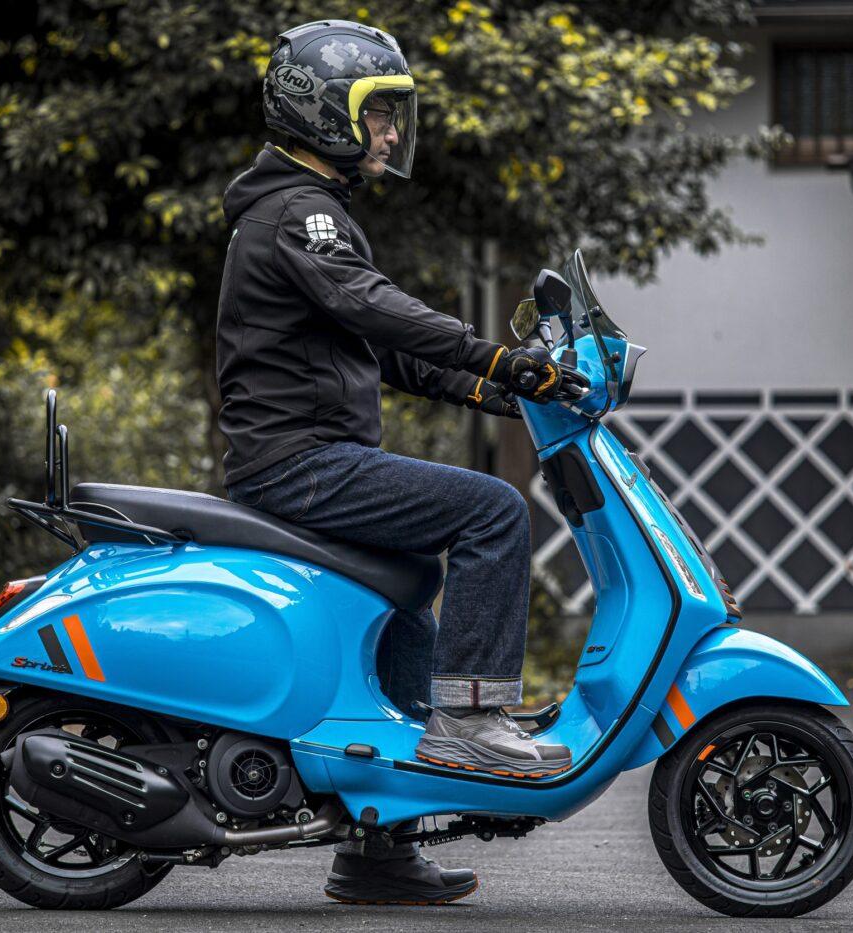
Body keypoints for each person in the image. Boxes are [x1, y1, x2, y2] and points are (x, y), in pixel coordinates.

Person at [216, 19, 578, 905]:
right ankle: (472, 719)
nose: (389, 132)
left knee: (404, 607)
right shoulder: (300, 213)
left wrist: (495, 390)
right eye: (377, 114)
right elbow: (376, 308)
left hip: (309, 455)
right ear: (324, 113)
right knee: (493, 509)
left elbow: (376, 350)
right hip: (299, 462)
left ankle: (377, 850)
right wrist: (496, 355)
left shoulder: (305, 208)